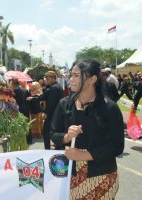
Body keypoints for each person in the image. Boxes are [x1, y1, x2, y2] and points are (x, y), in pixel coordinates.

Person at [50, 59, 124, 199]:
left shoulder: (110, 108)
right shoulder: (64, 104)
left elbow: (117, 146)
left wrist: (84, 155)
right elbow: (53, 133)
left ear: (92, 79)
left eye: (76, 76)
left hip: (101, 176)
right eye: (70, 75)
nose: (70, 79)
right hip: (68, 174)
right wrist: (67, 137)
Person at [27, 71, 64, 149]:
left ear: (53, 78)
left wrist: (46, 113)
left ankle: (48, 149)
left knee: (46, 132)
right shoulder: (55, 87)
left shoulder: (54, 88)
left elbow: (51, 103)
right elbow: (43, 96)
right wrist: (33, 98)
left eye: (47, 78)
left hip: (52, 114)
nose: (45, 80)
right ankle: (58, 147)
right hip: (57, 114)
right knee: (55, 132)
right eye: (45, 78)